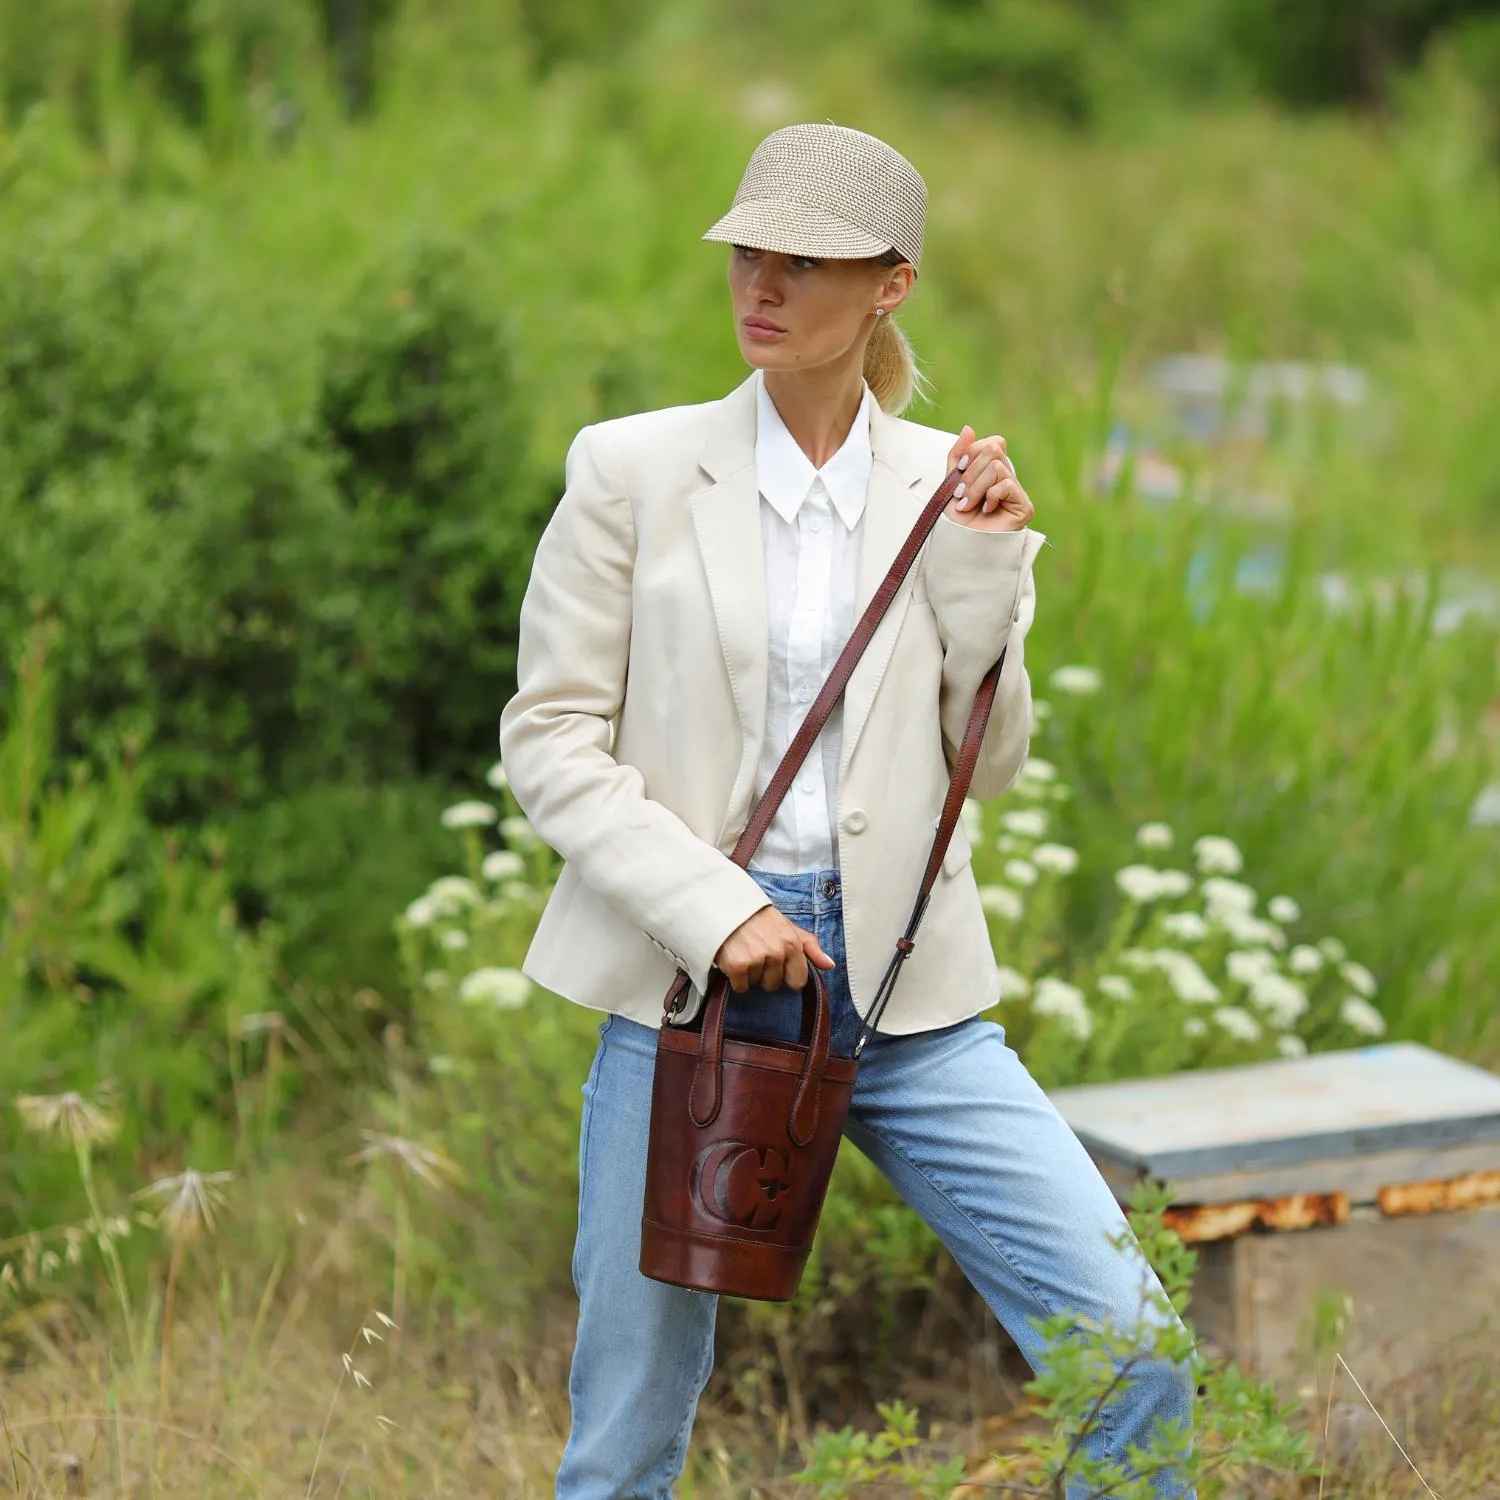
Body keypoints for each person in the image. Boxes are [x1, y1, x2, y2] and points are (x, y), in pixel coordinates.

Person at [499, 122, 1195, 1500]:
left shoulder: (949, 485)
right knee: (627, 1432)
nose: (763, 283)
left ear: (892, 284)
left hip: (907, 998)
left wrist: (989, 575)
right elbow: (553, 741)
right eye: (751, 251)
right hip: (687, 989)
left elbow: (983, 767)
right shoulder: (630, 471)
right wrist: (721, 910)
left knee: (1135, 1353)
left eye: (806, 263)